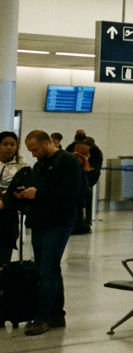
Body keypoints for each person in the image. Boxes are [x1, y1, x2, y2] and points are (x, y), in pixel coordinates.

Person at [16, 131, 83, 335]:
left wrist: (39, 193)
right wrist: (26, 192)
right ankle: (56, 314)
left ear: (47, 143)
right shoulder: (40, 165)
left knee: (47, 270)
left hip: (58, 222)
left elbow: (71, 192)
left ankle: (42, 317)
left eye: (35, 149)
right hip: (40, 222)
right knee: (49, 269)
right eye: (30, 151)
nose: (33, 154)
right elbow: (40, 189)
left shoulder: (67, 161)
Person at [0, 131, 24, 265]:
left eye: (12, 144)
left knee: (3, 256)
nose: (9, 147)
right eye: (5, 144)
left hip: (7, 217)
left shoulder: (22, 168)